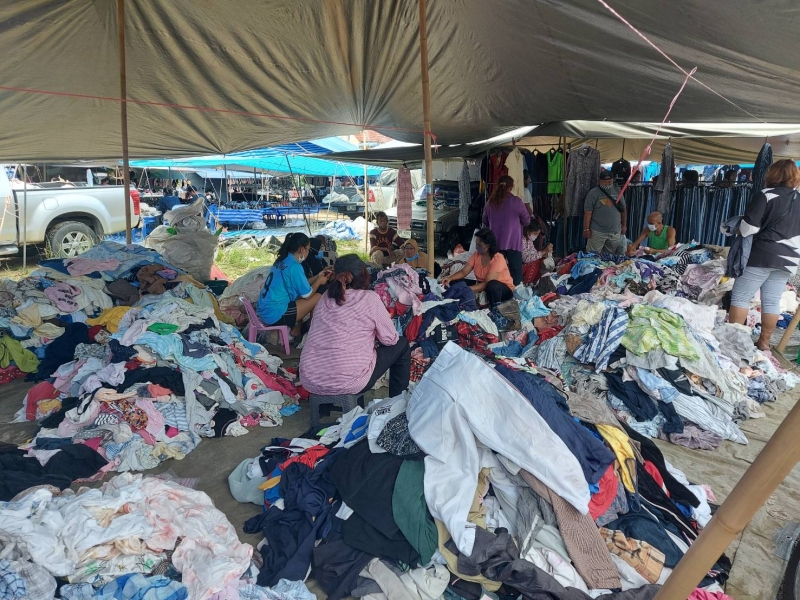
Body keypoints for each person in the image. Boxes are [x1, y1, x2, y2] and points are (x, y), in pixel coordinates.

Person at [299, 254, 411, 397]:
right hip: (351, 380)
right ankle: (397, 401)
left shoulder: (325, 297)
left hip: (311, 379)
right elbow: (390, 339)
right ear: (362, 275)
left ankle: (324, 408)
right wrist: (372, 340)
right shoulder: (369, 298)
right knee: (402, 344)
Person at [728, 159, 800, 351]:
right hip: (790, 258)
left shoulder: (766, 195)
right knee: (772, 300)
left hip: (763, 254)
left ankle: (733, 343)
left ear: (773, 174)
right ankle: (764, 343)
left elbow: (749, 228)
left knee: (741, 297)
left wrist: (737, 227)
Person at [256, 233, 333, 335]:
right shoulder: (295, 266)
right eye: (308, 249)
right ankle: (310, 328)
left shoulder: (282, 260)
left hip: (264, 310)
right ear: (302, 249)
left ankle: (298, 327)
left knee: (305, 292)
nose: (308, 252)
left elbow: (302, 285)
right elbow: (307, 295)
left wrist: (318, 276)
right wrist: (319, 281)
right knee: (322, 290)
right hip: (274, 314)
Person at [441, 228, 514, 307]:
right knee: (456, 282)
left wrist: (468, 289)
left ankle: (495, 308)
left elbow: (487, 283)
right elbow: (464, 272)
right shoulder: (476, 255)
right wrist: (450, 278)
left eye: (479, 245)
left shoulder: (498, 258)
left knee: (492, 285)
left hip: (502, 291)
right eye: (476, 244)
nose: (476, 247)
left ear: (487, 246)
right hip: (482, 286)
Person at [482, 175, 530, 285]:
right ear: (510, 187)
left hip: (495, 244)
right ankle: (515, 292)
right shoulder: (517, 202)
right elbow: (527, 221)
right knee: (516, 273)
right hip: (513, 244)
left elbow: (485, 221)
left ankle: (496, 291)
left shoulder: (490, 203)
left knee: (495, 272)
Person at [583, 169, 627, 254]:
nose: (607, 184)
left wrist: (624, 225)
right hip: (597, 232)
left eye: (609, 181)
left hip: (615, 231)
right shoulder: (593, 193)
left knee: (609, 257)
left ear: (613, 180)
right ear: (599, 181)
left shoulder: (618, 191)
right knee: (592, 256)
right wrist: (586, 229)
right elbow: (588, 213)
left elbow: (623, 209)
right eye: (604, 182)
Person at [521, 221, 552, 285]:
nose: (537, 236)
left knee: (542, 261)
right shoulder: (521, 240)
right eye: (535, 233)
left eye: (538, 234)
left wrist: (544, 254)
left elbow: (534, 253)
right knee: (535, 263)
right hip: (520, 266)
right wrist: (543, 252)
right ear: (528, 231)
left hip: (526, 264)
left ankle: (537, 282)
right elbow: (525, 259)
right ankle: (526, 283)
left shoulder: (529, 241)